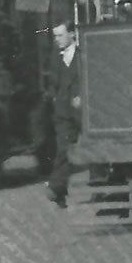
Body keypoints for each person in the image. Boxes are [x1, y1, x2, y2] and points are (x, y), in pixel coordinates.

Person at [45, 20, 81, 209]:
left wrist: (81, 97)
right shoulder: (56, 58)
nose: (57, 40)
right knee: (64, 148)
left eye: (60, 35)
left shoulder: (84, 55)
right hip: (63, 113)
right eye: (55, 36)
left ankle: (101, 184)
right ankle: (57, 188)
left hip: (84, 113)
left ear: (72, 34)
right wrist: (54, 99)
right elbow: (53, 83)